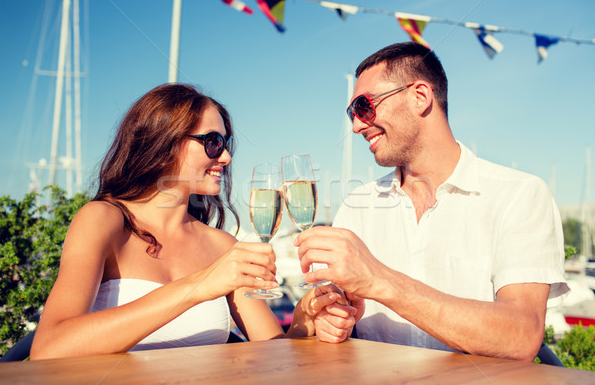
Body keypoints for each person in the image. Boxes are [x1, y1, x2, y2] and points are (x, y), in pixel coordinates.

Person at [30, 83, 356, 360]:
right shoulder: (104, 220)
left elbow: (273, 355)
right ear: (165, 141)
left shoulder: (223, 247)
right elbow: (49, 347)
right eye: (213, 142)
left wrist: (304, 318)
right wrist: (199, 285)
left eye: (226, 144)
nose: (226, 157)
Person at [295, 42, 569, 362]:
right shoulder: (356, 206)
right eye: (352, 113)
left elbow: (522, 335)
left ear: (420, 97)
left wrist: (379, 280)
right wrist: (332, 320)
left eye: (363, 106)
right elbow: (334, 315)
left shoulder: (519, 195)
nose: (356, 125)